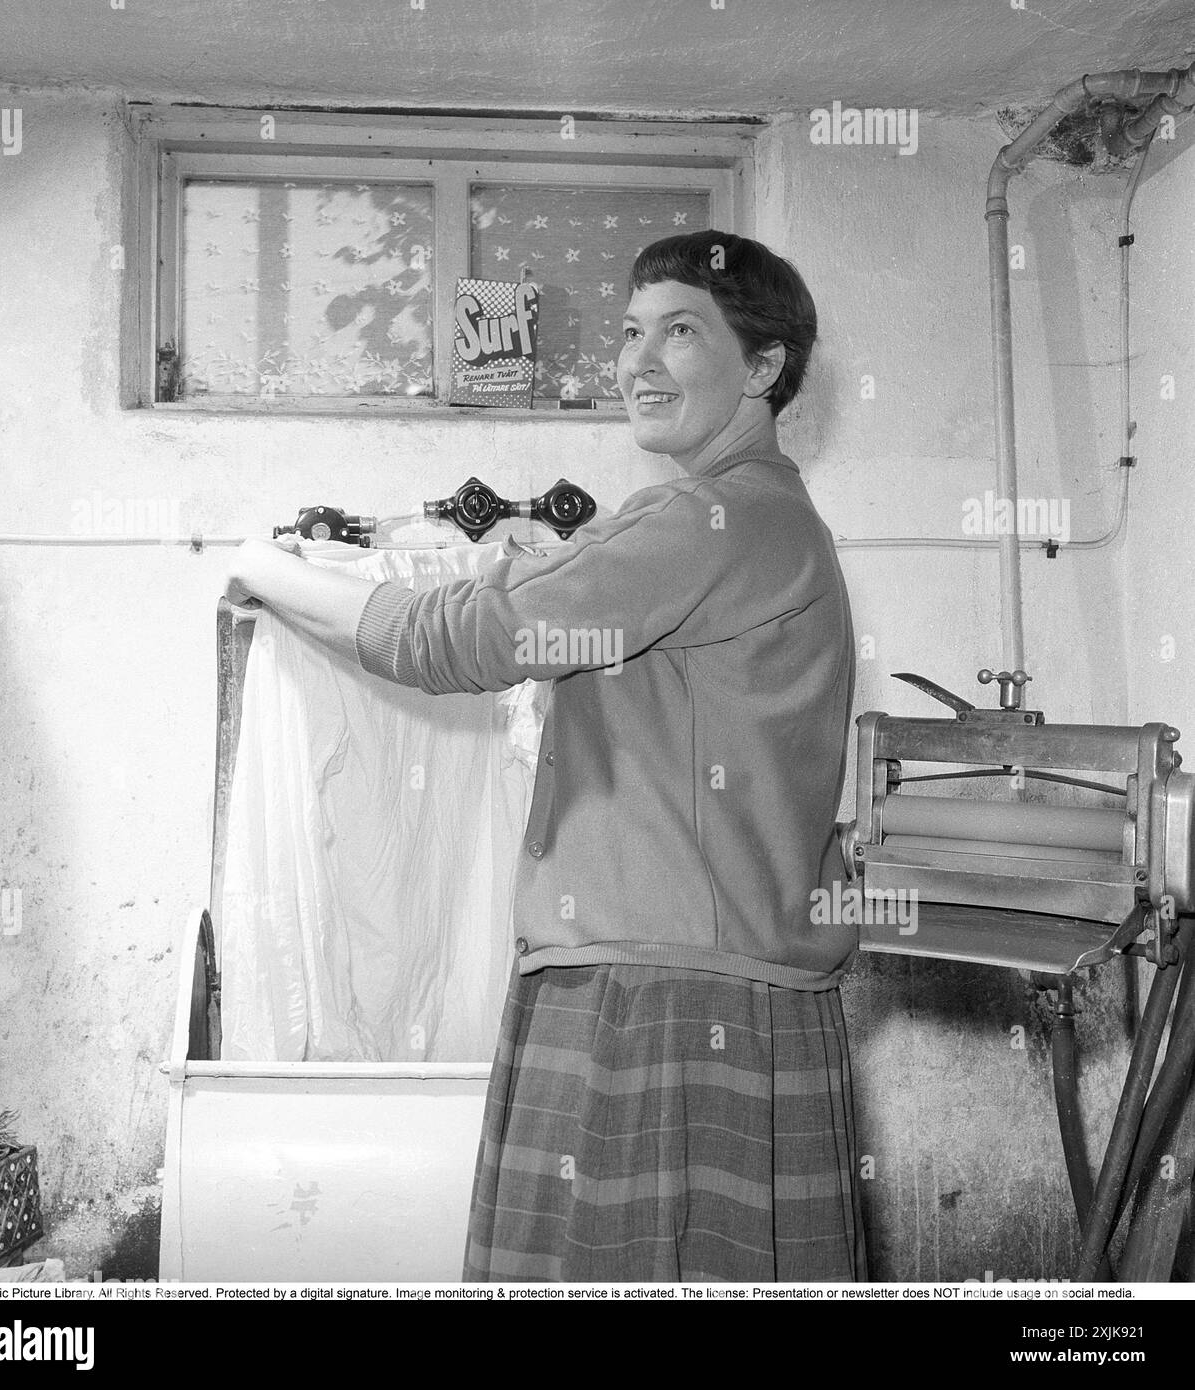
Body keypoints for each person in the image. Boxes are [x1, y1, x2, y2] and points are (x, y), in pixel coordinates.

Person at [226, 230, 865, 1282]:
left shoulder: (711, 516)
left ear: (764, 368)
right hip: (717, 981)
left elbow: (452, 641)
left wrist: (264, 567)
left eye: (681, 333)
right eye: (628, 332)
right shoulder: (764, 521)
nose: (638, 361)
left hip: (662, 997)